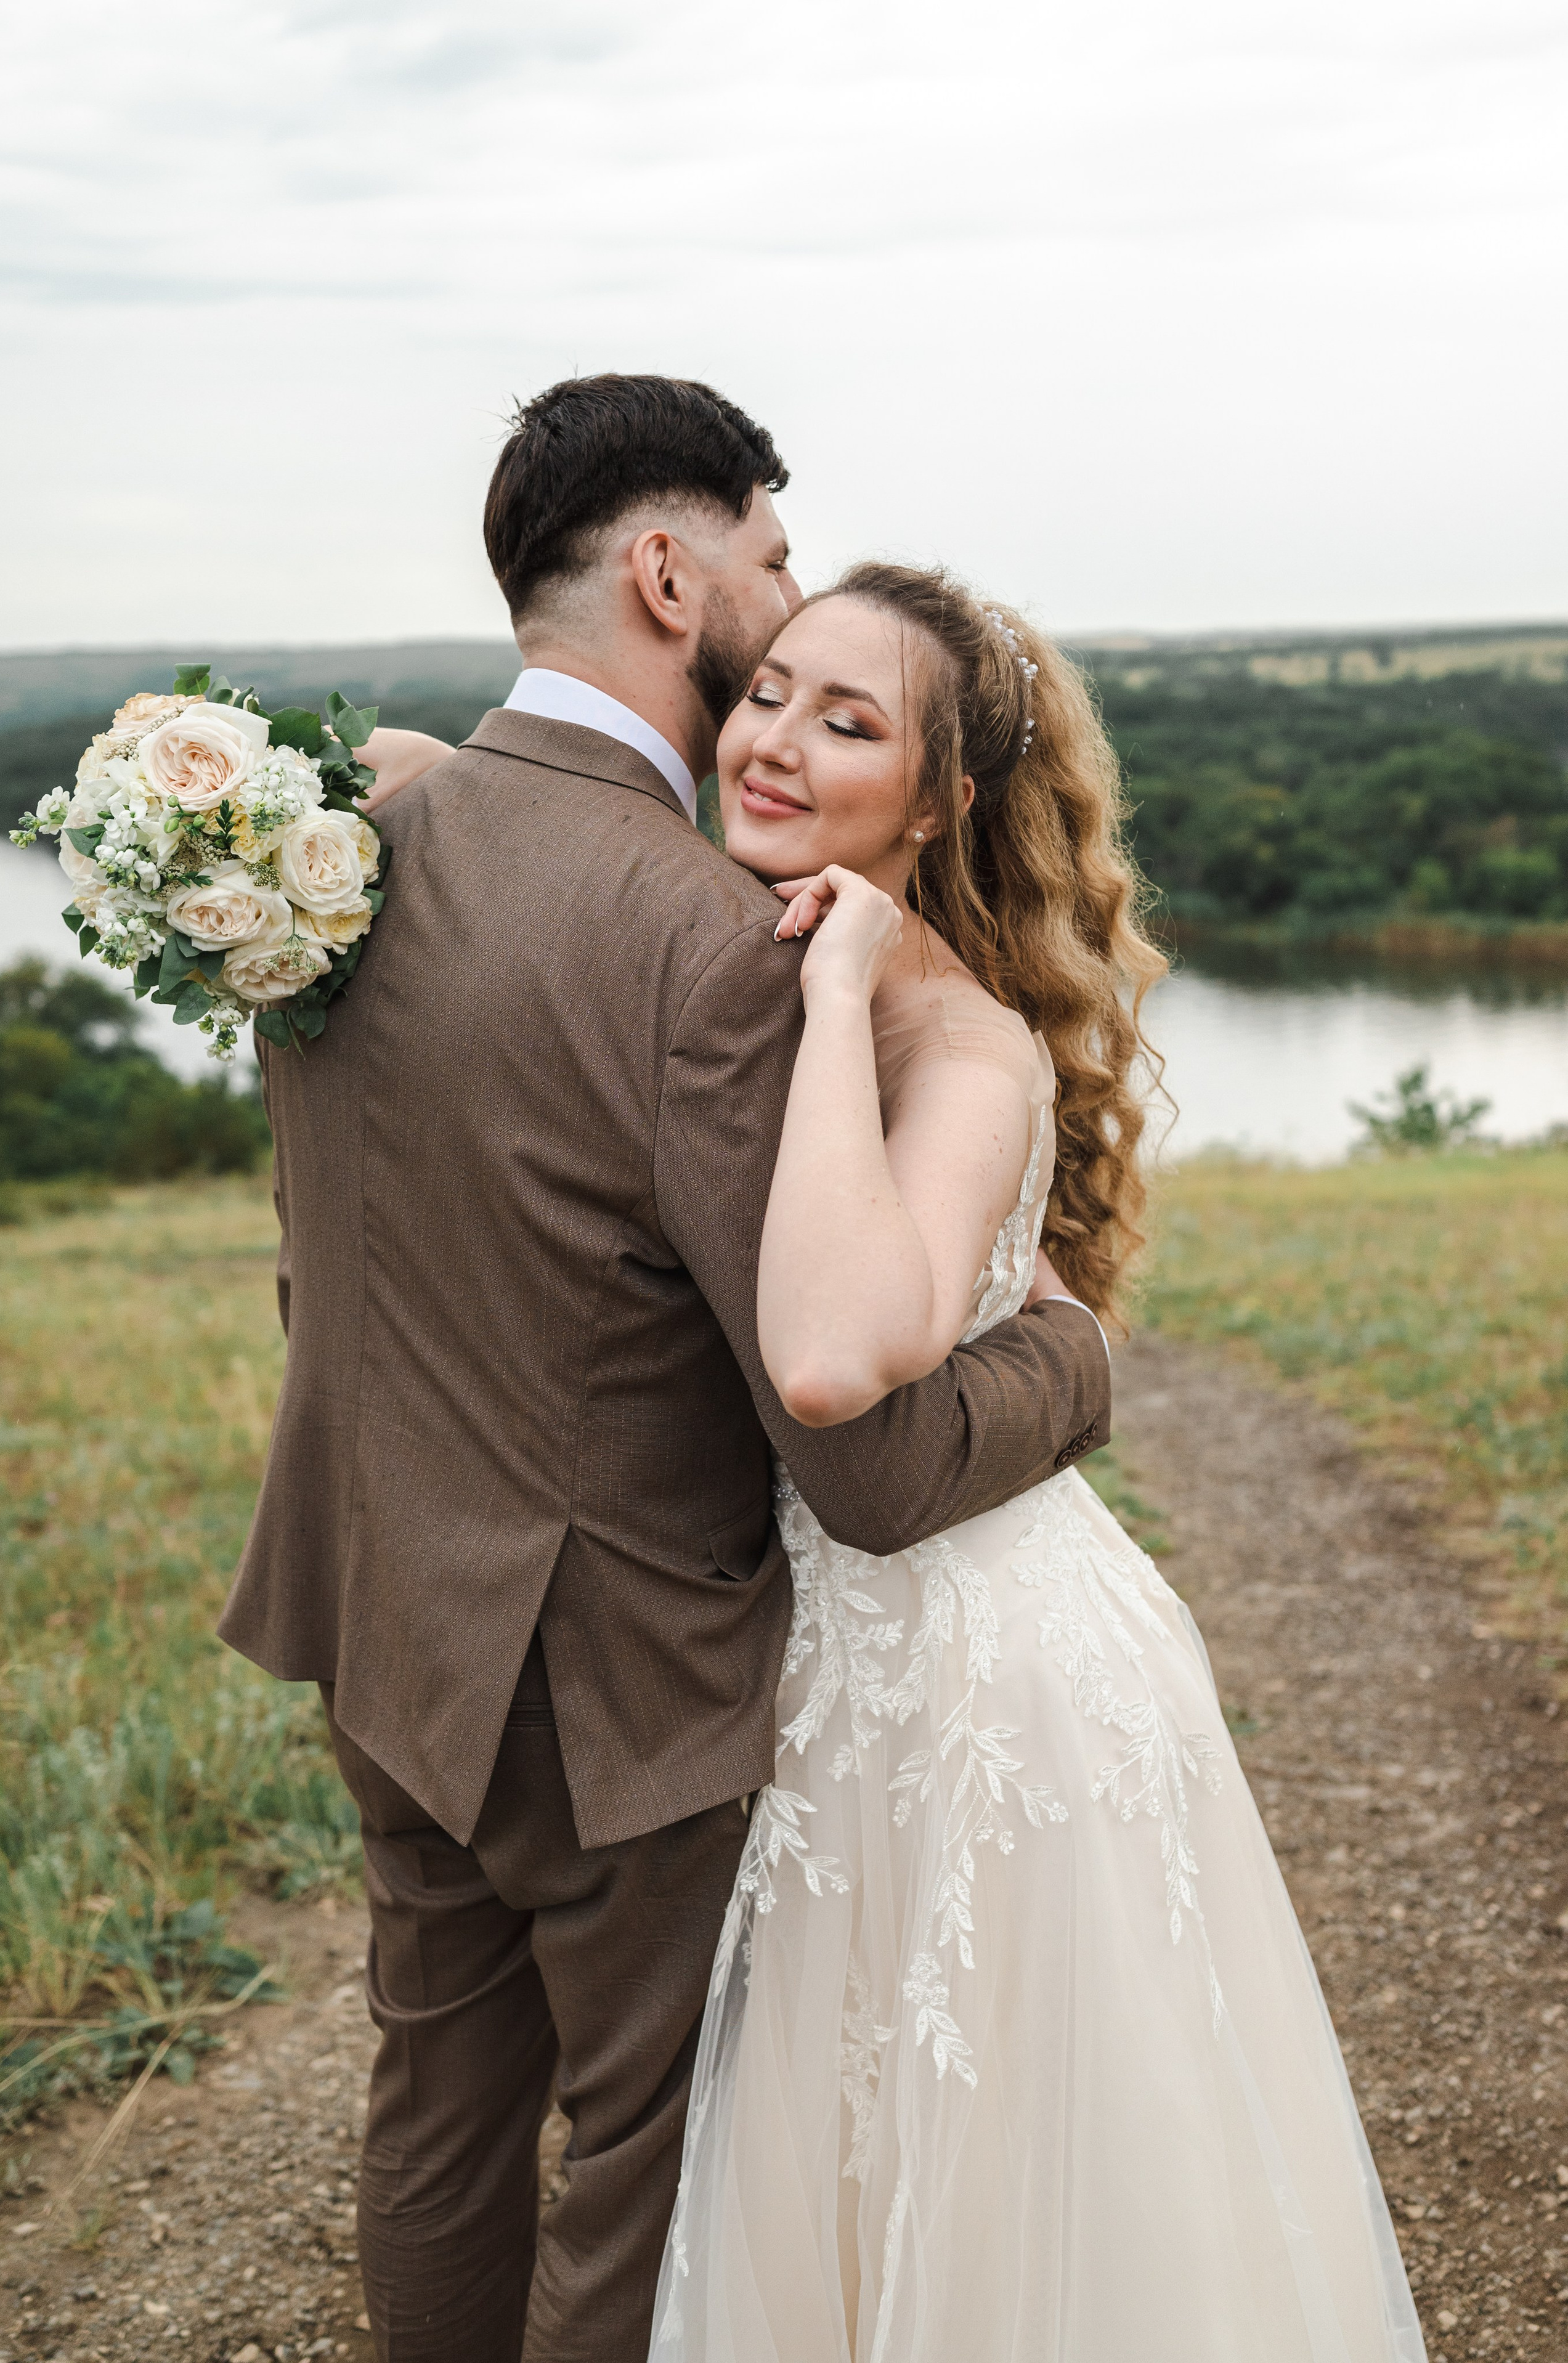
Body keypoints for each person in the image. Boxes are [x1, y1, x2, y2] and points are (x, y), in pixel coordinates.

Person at [219, 375, 1111, 2363]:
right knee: (643, 2162)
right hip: (612, 1680)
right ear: (665, 572)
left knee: (438, 2109)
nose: (786, 604)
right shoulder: (721, 941)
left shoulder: (337, 854)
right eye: (771, 565)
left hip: (379, 1603)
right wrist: (1073, 1358)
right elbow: (866, 1458)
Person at [645, 565, 1428, 2362]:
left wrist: (842, 988)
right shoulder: (754, 946)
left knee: (1013, 2189)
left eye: (851, 723)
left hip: (981, 1687)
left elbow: (832, 1356)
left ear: (936, 807)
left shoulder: (960, 1043)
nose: (776, 742)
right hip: (850, 1673)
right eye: (770, 693)